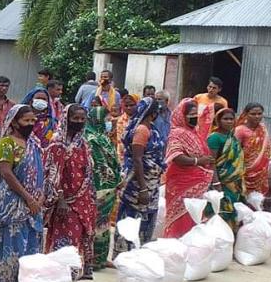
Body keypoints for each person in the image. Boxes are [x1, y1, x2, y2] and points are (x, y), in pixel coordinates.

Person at [0, 105, 44, 282]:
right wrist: (27, 197)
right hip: (13, 202)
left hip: (33, 204)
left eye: (33, 121)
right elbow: (7, 173)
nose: (31, 125)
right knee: (11, 246)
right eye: (26, 121)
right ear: (14, 122)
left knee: (30, 246)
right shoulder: (7, 143)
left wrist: (39, 197)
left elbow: (41, 172)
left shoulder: (34, 144)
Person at [43, 104, 97, 280]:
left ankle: (73, 275)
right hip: (65, 200)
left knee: (78, 237)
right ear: (67, 119)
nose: (79, 122)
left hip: (83, 199)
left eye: (82, 119)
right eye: (75, 119)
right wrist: (60, 200)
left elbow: (87, 170)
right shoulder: (57, 143)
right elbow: (51, 174)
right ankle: (59, 275)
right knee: (65, 238)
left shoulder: (83, 143)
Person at [113, 99, 166, 252]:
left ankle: (138, 251)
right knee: (133, 217)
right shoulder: (142, 130)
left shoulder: (151, 128)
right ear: (153, 113)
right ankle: (126, 252)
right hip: (139, 183)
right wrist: (143, 188)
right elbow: (137, 159)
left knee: (145, 216)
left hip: (151, 182)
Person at [162, 99, 215, 238]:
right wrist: (199, 161)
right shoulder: (177, 133)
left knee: (194, 213)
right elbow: (176, 156)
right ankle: (176, 243)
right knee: (181, 214)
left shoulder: (195, 132)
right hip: (181, 180)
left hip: (196, 181)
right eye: (190, 114)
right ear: (182, 115)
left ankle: (191, 245)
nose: (194, 117)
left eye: (195, 114)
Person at [84, 102, 121, 271]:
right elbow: (95, 164)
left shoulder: (104, 136)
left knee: (104, 225)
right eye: (105, 118)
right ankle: (90, 258)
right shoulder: (90, 138)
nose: (108, 121)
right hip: (97, 186)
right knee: (95, 223)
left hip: (109, 186)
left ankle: (101, 258)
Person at [207, 108, 245, 229]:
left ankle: (230, 238)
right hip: (222, 181)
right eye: (225, 119)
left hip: (235, 183)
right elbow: (211, 162)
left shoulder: (232, 137)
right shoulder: (215, 138)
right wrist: (216, 182)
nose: (229, 122)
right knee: (223, 210)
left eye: (231, 119)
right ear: (218, 120)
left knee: (234, 209)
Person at [234, 103, 271, 196]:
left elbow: (265, 149)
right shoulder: (240, 130)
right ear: (246, 114)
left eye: (259, 113)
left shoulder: (262, 129)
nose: (257, 116)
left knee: (258, 198)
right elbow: (235, 151)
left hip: (261, 171)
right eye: (253, 114)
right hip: (245, 170)